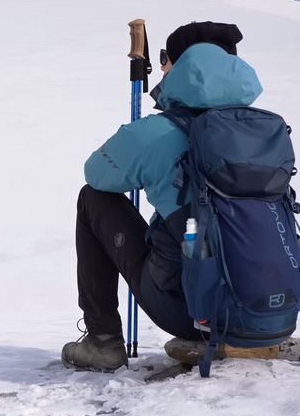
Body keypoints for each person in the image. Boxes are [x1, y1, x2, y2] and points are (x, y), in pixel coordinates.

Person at [62, 21, 260, 372]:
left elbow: (96, 174)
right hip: (265, 311)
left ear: (183, 67)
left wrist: (150, 163)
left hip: (190, 313)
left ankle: (103, 341)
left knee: (91, 199)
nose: (163, 65)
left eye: (167, 58)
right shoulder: (264, 129)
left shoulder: (160, 132)